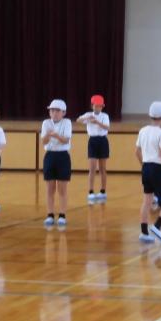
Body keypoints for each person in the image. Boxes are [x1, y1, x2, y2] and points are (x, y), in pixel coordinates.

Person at [135, 101, 161, 243]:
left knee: (147, 201)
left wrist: (144, 166)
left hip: (146, 167)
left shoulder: (142, 130)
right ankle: (157, 227)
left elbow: (137, 152)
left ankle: (144, 232)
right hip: (158, 168)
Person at [41, 99, 72, 227]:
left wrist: (56, 135)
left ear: (63, 112)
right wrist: (48, 135)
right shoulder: (46, 123)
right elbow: (44, 141)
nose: (54, 113)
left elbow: (66, 140)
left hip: (63, 156)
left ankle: (62, 215)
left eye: (57, 111)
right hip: (50, 155)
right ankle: (50, 214)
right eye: (52, 110)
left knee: (62, 188)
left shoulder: (67, 122)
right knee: (50, 188)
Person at [77, 94, 110, 202]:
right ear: (92, 106)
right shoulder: (88, 115)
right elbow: (78, 120)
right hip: (92, 141)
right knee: (92, 168)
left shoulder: (105, 116)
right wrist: (87, 118)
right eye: (96, 106)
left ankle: (103, 191)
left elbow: (107, 127)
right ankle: (91, 191)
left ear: (102, 106)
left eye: (100, 106)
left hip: (103, 141)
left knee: (102, 168)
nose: (97, 108)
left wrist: (97, 122)